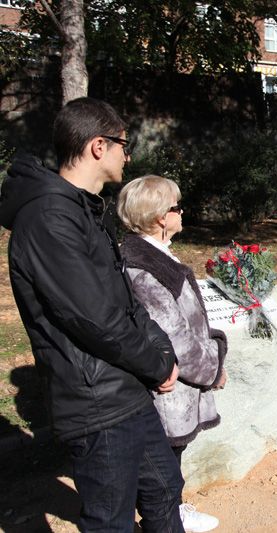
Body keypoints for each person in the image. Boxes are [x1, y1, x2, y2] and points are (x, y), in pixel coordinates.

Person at [0, 98, 184, 532]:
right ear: (98, 146)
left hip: (127, 387)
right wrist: (158, 363)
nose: (128, 154)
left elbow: (125, 300)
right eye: (124, 144)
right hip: (96, 403)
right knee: (110, 520)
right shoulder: (49, 218)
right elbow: (94, 319)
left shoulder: (82, 209)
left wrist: (160, 348)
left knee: (163, 487)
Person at [118, 175, 226, 532]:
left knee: (169, 460)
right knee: (162, 464)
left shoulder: (155, 256)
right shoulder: (143, 267)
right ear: (160, 217)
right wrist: (212, 370)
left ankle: (173, 510)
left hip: (178, 380)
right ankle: (166, 516)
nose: (183, 211)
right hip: (167, 383)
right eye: (177, 206)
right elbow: (174, 335)